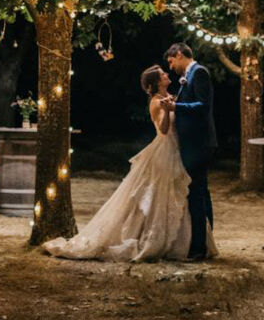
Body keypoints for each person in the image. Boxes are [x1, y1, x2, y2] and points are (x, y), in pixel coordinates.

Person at [42, 65, 215, 261]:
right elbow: (164, 130)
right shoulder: (156, 102)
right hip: (164, 150)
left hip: (177, 150)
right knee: (158, 196)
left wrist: (173, 105)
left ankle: (185, 241)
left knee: (178, 195)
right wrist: (167, 110)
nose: (167, 75)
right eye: (163, 75)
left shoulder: (172, 96)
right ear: (157, 82)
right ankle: (152, 237)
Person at [165, 42, 217, 260]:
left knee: (196, 194)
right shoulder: (190, 75)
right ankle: (205, 241)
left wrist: (176, 107)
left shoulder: (199, 72)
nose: (170, 67)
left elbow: (203, 106)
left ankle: (198, 248)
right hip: (194, 143)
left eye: (171, 61)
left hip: (199, 143)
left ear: (178, 54)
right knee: (200, 192)